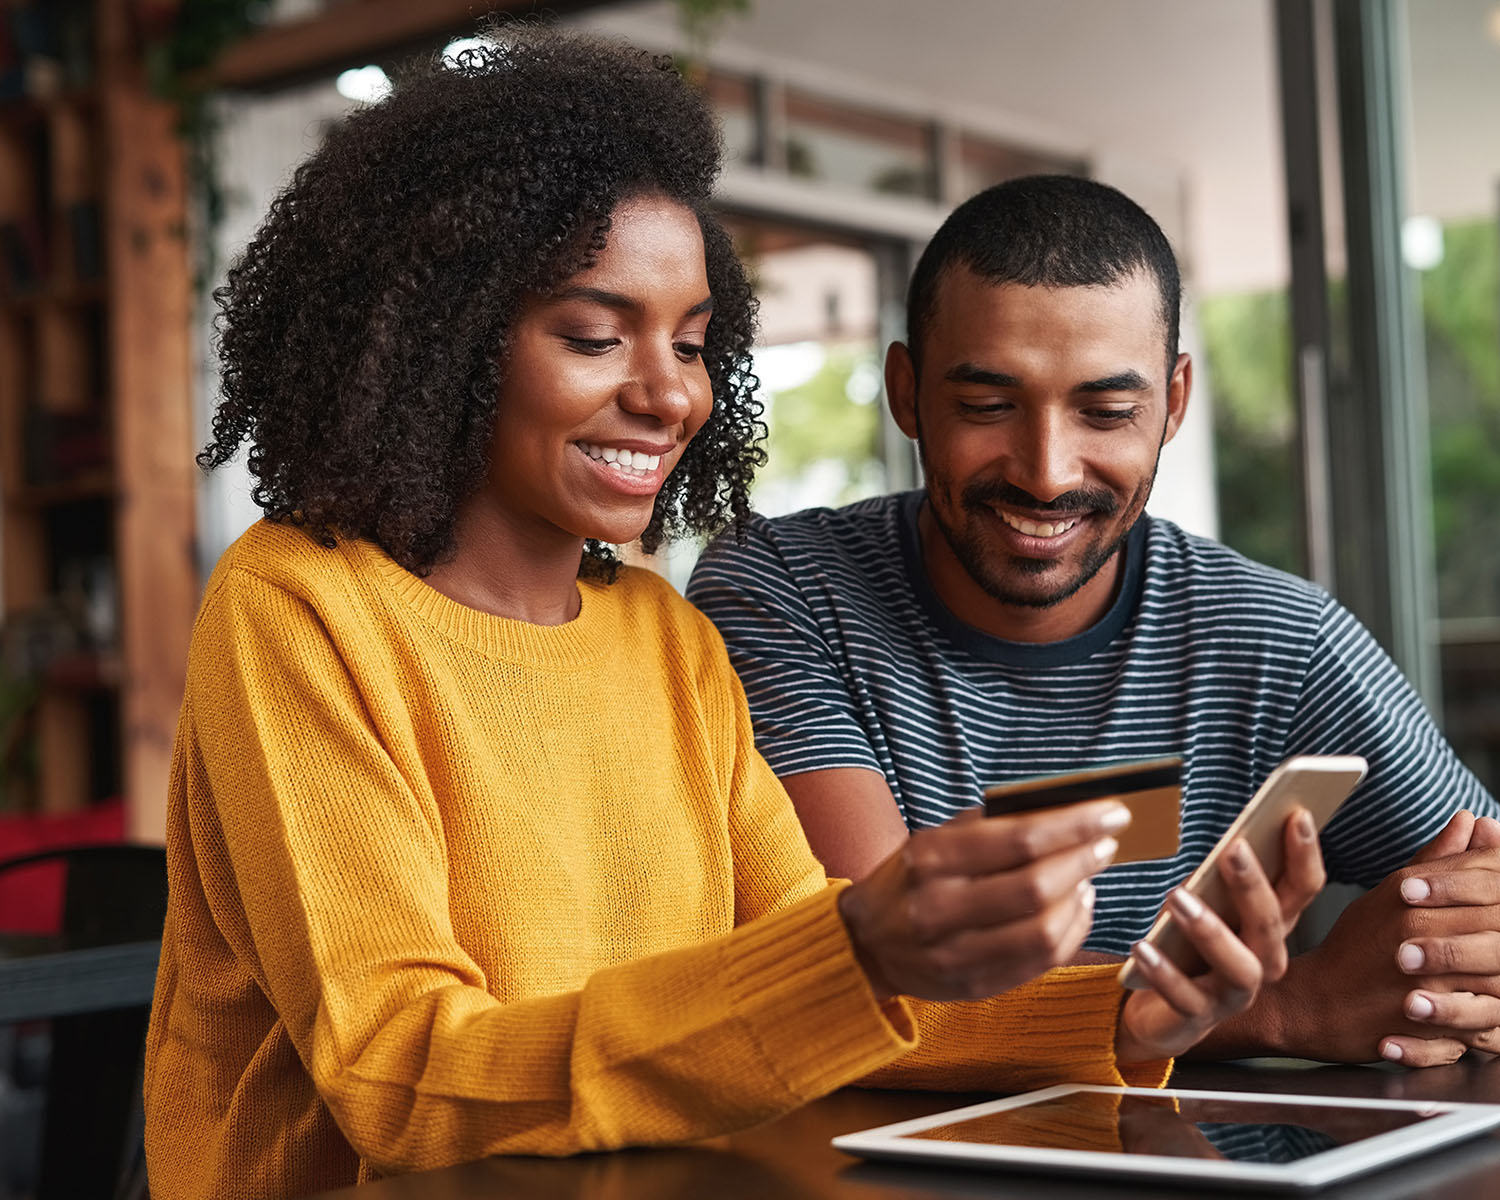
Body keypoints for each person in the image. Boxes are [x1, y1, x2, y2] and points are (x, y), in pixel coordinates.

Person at [142, 37, 1323, 1200]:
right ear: (445, 342)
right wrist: (858, 951)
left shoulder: (665, 637)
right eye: (597, 337)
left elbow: (822, 976)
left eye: (695, 344)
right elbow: (402, 1081)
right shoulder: (300, 608)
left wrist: (1121, 1008)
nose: (668, 394)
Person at [687, 173, 1500, 1071]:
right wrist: (1287, 1008)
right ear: (907, 391)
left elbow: (1479, 893)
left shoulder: (1279, 642)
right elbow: (874, 983)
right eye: (987, 405)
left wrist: (1443, 966)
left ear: (1175, 403)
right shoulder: (785, 592)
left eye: (1107, 412)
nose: (1045, 471)